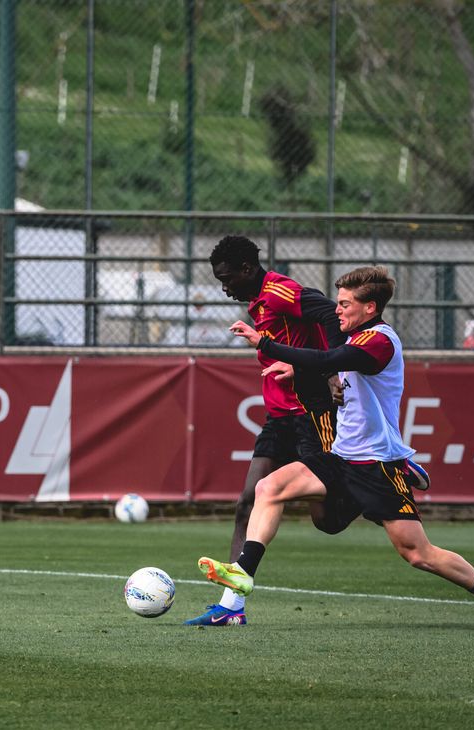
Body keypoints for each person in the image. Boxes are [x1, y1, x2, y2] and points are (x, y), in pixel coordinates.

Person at [197, 265, 474, 632]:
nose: (336, 310)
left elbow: (327, 360)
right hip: (341, 458)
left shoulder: (380, 341)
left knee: (418, 554)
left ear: (369, 308)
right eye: (338, 303)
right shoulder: (355, 339)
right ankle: (243, 573)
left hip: (376, 466)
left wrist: (263, 342)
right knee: (268, 488)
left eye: (344, 304)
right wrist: (298, 370)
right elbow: (331, 368)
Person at [184, 235, 350, 628]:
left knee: (326, 520)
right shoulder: (258, 303)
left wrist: (328, 371)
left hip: (312, 413)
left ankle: (378, 478)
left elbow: (329, 313)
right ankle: (230, 607)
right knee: (247, 501)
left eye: (228, 279)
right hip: (279, 416)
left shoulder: (280, 291)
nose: (224, 288)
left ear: (247, 269)